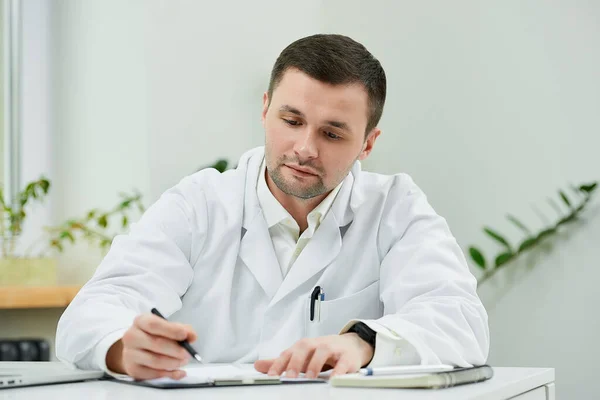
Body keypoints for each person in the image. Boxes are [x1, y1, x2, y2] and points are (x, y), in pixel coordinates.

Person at [56, 34, 489, 380]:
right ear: (265, 110)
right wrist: (121, 348)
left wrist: (363, 342)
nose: (304, 148)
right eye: (292, 121)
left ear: (368, 144)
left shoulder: (395, 207)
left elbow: (461, 321)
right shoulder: (199, 204)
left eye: (332, 134)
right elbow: (92, 311)